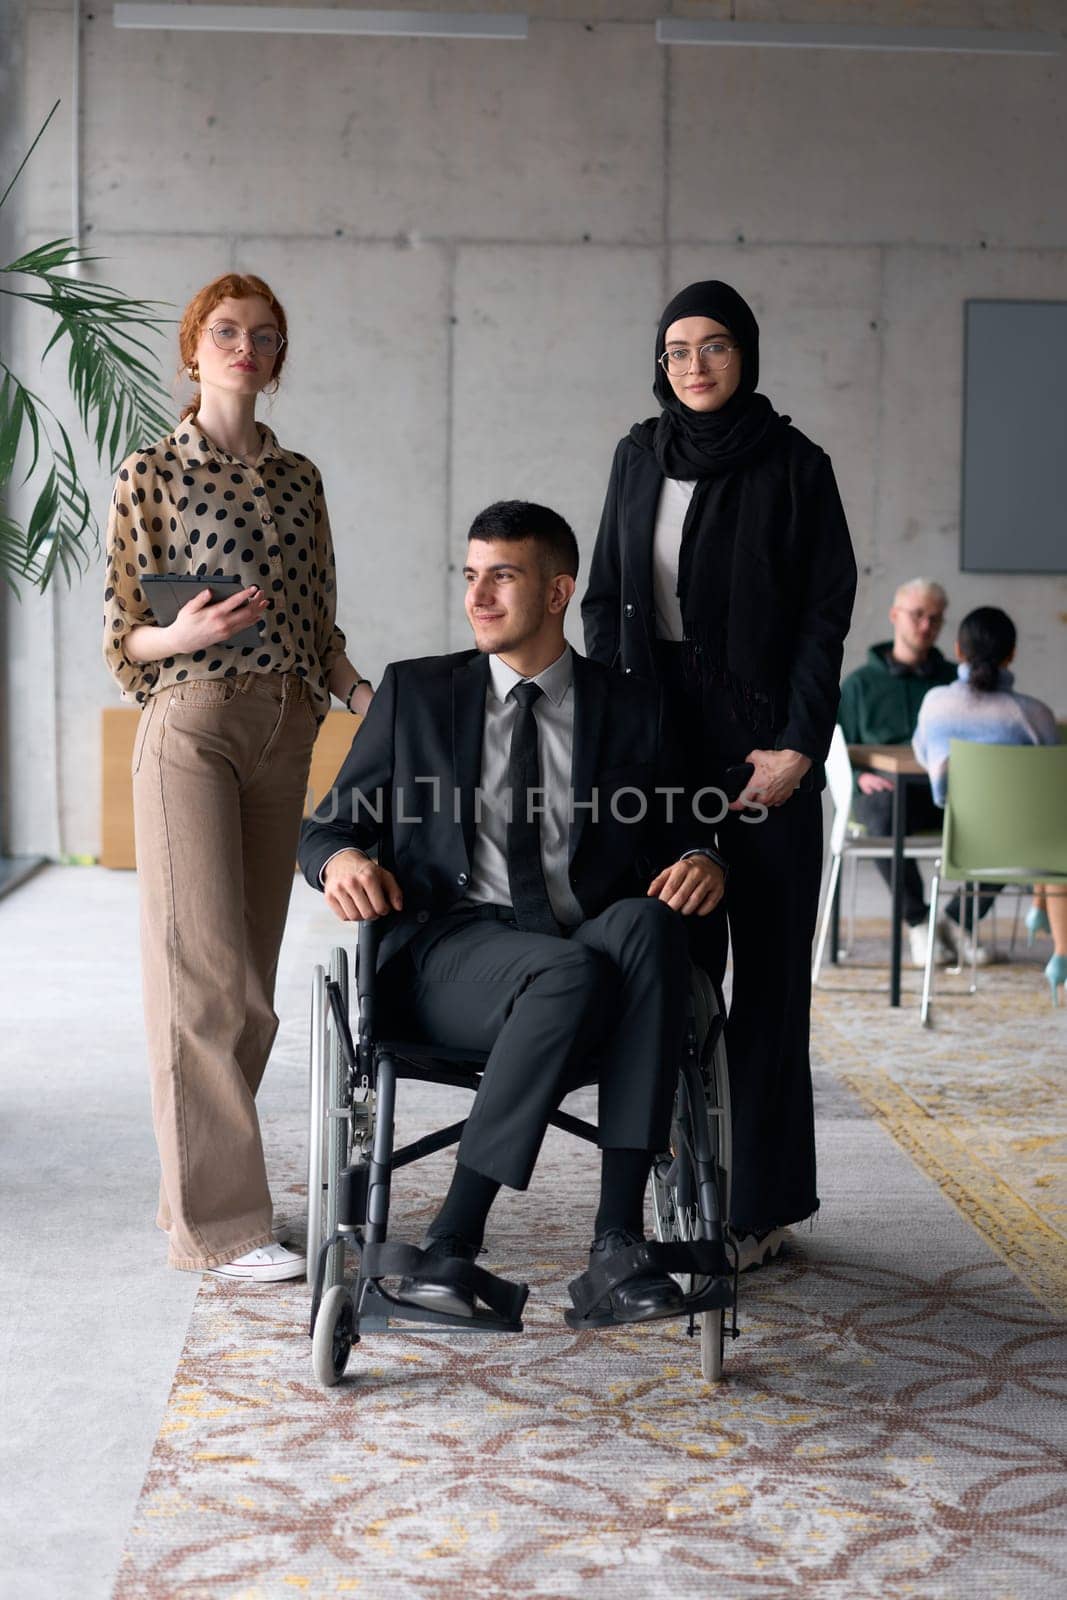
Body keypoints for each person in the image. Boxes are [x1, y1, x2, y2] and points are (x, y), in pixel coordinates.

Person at [299, 500, 727, 1325]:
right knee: (568, 969)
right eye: (470, 576)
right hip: (451, 955)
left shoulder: (630, 706)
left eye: (503, 576)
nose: (479, 596)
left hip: (582, 943)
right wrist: (342, 859)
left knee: (648, 925)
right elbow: (329, 826)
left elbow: (686, 825)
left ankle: (616, 1243)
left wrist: (701, 858)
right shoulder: (417, 694)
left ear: (559, 590)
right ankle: (453, 1240)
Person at [103, 272, 372, 1281]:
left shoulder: (300, 479)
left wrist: (353, 690)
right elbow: (121, 627)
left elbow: (320, 618)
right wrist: (183, 629)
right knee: (204, 979)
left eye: (265, 335)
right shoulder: (152, 471)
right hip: (191, 722)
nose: (246, 349)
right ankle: (223, 1228)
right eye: (226, 332)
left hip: (286, 726)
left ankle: (190, 1191)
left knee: (250, 990)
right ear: (193, 348)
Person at [582, 279, 856, 1270]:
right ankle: (675, 1185)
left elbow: (823, 619)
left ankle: (759, 1205)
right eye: (674, 350)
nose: (691, 365)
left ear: (745, 353)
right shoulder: (634, 455)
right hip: (660, 752)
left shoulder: (794, 467)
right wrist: (615, 733)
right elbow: (607, 601)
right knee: (671, 975)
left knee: (769, 989)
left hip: (765, 751)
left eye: (712, 346)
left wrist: (795, 746)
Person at [913, 605, 1062, 990]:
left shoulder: (934, 703)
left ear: (958, 652)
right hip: (1032, 850)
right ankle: (1052, 936)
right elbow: (1053, 786)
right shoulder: (1036, 715)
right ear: (1011, 655)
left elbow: (923, 755)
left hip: (963, 843)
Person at [838, 578, 958, 966]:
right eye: (918, 614)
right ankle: (919, 921)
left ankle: (959, 922)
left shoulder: (957, 681)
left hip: (947, 792)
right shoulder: (858, 685)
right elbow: (833, 749)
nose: (926, 626)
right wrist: (857, 779)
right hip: (883, 793)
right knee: (885, 810)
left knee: (1013, 818)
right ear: (894, 616)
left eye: (936, 619)